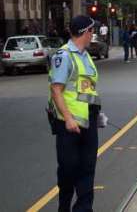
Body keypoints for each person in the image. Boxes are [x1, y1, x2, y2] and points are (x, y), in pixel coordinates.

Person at [47, 16, 102, 212]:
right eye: (91, 31)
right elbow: (56, 89)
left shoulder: (85, 56)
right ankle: (64, 207)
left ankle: (84, 209)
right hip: (68, 124)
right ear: (85, 32)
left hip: (89, 122)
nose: (92, 35)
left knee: (88, 169)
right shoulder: (64, 56)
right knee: (68, 169)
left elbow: (87, 90)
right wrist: (69, 118)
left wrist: (96, 112)